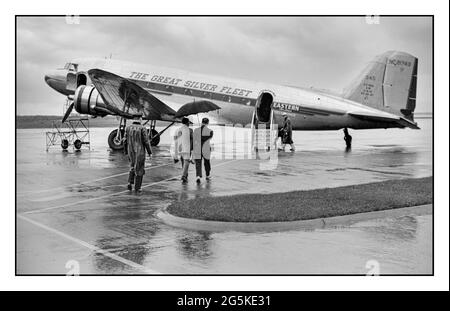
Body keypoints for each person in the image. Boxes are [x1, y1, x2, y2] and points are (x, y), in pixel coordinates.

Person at [124, 115, 152, 193]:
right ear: (140, 119)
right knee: (140, 168)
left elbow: (124, 140)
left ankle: (130, 182)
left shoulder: (128, 128)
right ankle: (138, 187)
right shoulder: (142, 128)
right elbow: (146, 141)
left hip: (130, 151)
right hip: (140, 151)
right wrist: (149, 151)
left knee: (132, 166)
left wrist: (125, 151)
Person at [193, 117, 213, 183]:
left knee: (198, 162)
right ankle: (207, 175)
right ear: (208, 123)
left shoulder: (196, 130)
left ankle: (198, 176)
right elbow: (209, 138)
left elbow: (194, 140)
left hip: (198, 148)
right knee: (207, 162)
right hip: (206, 148)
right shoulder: (210, 131)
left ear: (202, 122)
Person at [174, 117, 193, 183]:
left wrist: (175, 153)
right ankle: (184, 175)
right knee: (186, 162)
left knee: (183, 162)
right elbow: (192, 139)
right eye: (189, 122)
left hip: (180, 148)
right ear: (187, 122)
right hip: (187, 148)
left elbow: (175, 141)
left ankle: (185, 174)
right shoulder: (190, 130)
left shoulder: (177, 130)